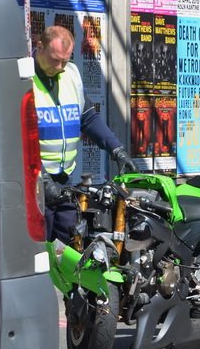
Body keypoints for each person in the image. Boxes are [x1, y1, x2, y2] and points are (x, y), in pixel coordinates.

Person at [34, 25, 136, 242]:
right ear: (39, 46)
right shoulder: (24, 79)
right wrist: (41, 178)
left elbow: (88, 118)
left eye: (66, 59)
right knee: (40, 253)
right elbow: (16, 138)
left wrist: (116, 149)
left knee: (69, 248)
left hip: (64, 183)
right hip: (35, 185)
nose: (61, 67)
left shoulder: (71, 74)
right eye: (55, 60)